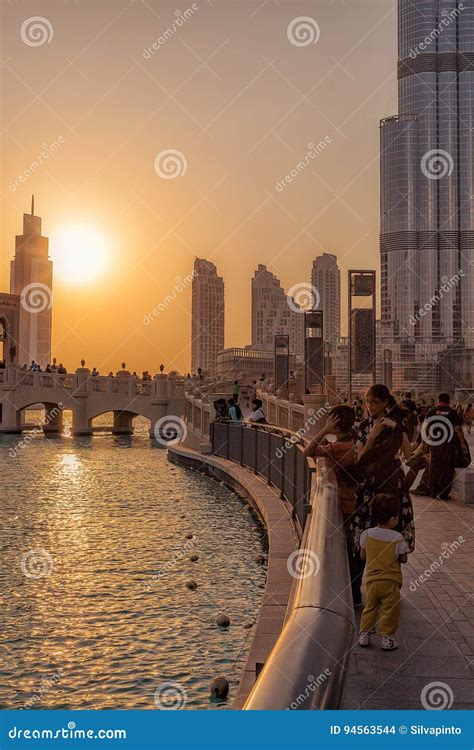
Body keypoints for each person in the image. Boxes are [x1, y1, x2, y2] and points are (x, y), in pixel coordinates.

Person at [350, 384, 415, 597]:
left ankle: (389, 587)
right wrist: (373, 435)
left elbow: (408, 454)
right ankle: (358, 590)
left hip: (393, 483)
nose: (370, 406)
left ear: (386, 402)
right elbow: (360, 458)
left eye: (374, 402)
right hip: (369, 483)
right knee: (365, 533)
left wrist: (398, 430)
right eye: (368, 402)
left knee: (392, 530)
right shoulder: (363, 426)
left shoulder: (397, 426)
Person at [304, 405, 361, 605]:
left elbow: (308, 451)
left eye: (330, 420)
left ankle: (351, 596)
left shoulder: (338, 448)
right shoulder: (352, 441)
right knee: (351, 549)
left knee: (345, 552)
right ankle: (354, 595)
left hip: (344, 504)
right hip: (353, 501)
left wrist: (324, 431)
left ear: (336, 423)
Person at [358, 494, 408, 651]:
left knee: (370, 607)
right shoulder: (398, 538)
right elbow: (403, 559)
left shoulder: (366, 534)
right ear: (393, 519)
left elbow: (362, 556)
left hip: (372, 580)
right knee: (390, 610)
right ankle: (387, 639)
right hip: (390, 582)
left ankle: (364, 635)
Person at [425, 393, 469, 500]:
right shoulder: (453, 413)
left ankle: (433, 492)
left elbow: (425, 427)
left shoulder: (431, 411)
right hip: (448, 444)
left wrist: (426, 442)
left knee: (434, 466)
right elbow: (458, 429)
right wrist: (463, 444)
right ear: (449, 401)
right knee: (447, 467)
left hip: (434, 443)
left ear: (438, 400)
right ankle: (444, 493)